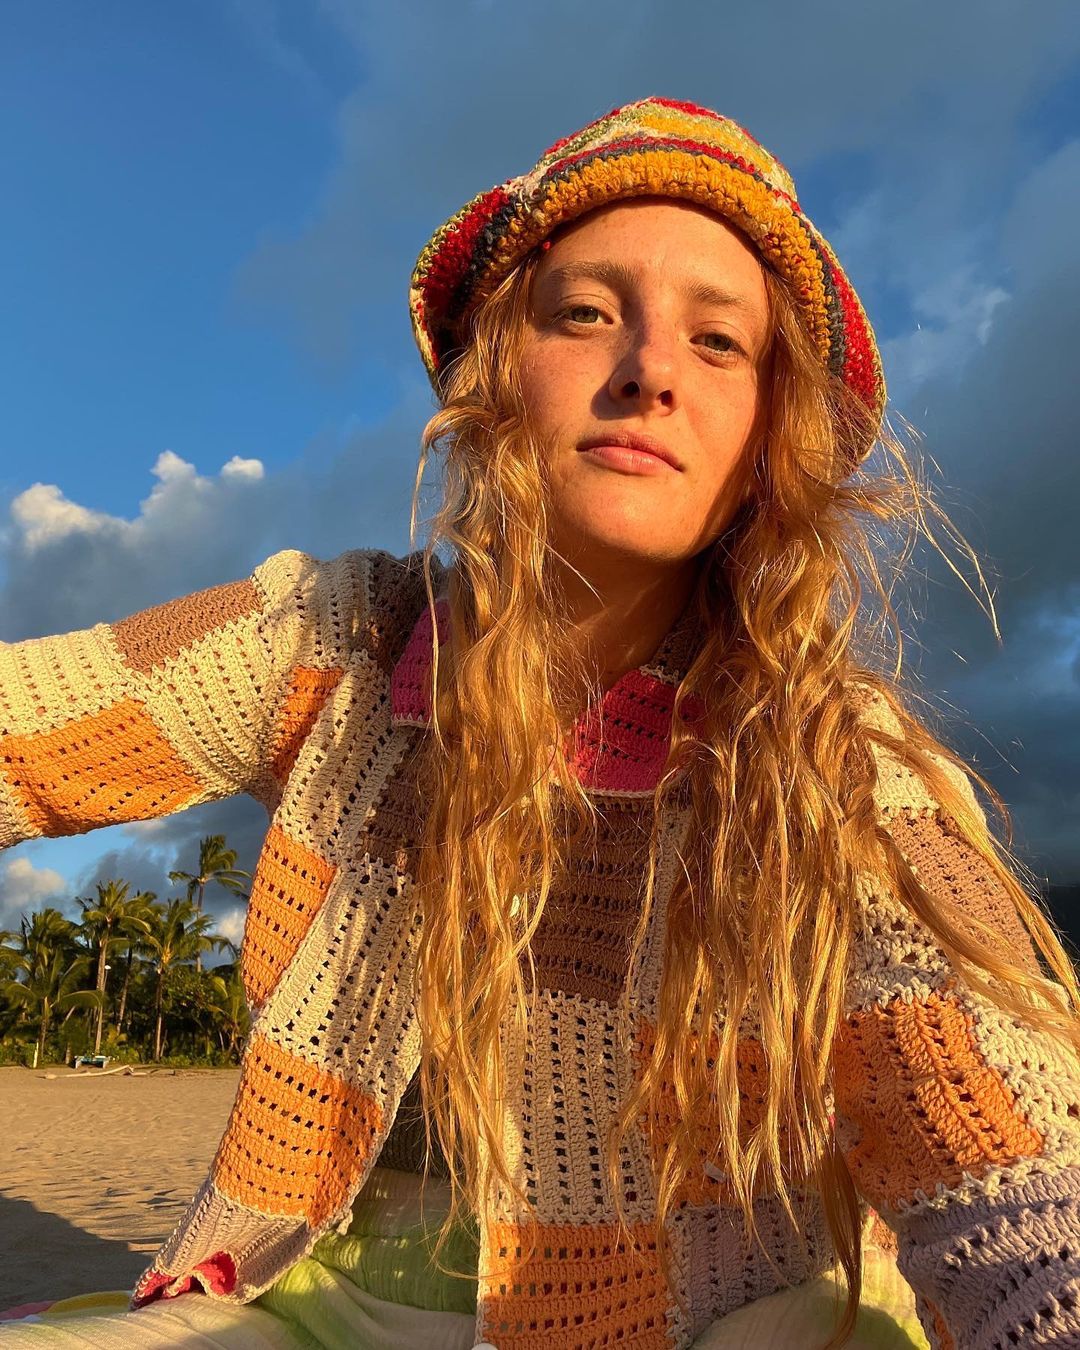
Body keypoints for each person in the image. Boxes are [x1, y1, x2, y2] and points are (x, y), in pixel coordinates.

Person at [2, 95, 1080, 1350]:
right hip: (317, 1300)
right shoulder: (335, 642)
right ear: (494, 369)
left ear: (768, 435)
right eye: (586, 314)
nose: (651, 370)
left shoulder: (833, 758)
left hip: (737, 1313)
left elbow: (1007, 1150)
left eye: (718, 342)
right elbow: (36, 725)